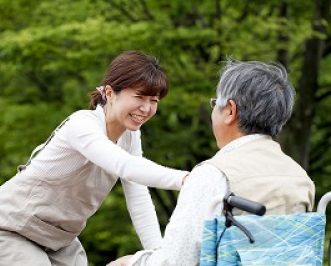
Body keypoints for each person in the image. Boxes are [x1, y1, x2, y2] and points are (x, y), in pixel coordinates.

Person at [0, 51, 189, 266]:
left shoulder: (130, 136)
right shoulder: (82, 125)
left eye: (154, 100)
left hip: (60, 240)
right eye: (139, 97)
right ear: (110, 93)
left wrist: (159, 256)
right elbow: (125, 166)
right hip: (11, 228)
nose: (146, 108)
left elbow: (138, 195)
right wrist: (188, 179)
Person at [108, 58, 315, 266]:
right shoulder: (299, 178)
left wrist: (130, 262)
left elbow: (176, 261)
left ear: (230, 111)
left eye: (216, 104)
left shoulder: (215, 174)